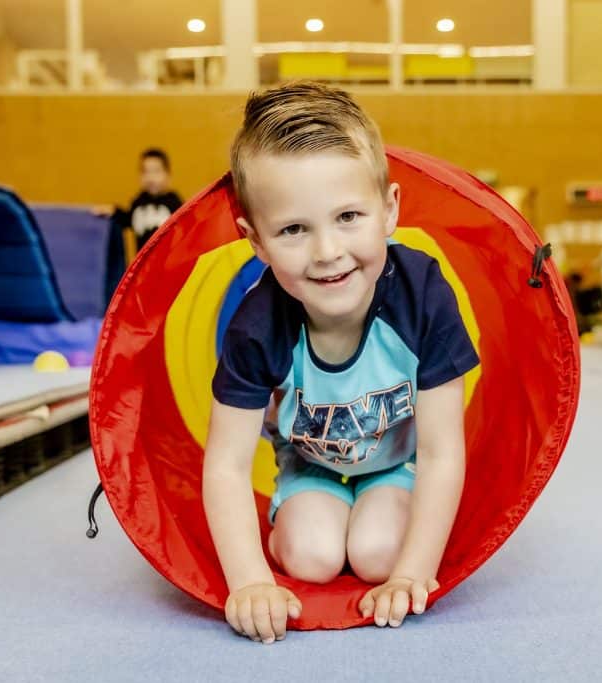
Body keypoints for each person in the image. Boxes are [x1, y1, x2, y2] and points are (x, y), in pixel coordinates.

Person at [203, 82, 479, 644]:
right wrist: (250, 581)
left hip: (396, 466)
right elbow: (226, 465)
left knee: (380, 554)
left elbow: (442, 450)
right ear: (255, 241)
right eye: (294, 229)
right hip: (308, 469)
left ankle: (381, 535)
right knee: (313, 558)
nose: (327, 251)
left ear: (389, 210)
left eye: (348, 215)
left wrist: (411, 573)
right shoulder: (257, 325)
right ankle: (301, 526)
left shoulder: (423, 294)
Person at [94, 148, 183, 253]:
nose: (151, 177)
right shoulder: (139, 201)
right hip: (142, 265)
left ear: (168, 174)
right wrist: (114, 211)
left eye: (156, 171)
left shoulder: (174, 202)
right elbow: (128, 219)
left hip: (167, 263)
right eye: (145, 171)